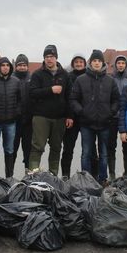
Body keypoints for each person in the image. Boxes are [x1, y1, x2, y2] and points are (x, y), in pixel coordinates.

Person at [70, 50, 119, 185]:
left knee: (104, 154)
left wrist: (111, 112)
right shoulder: (81, 80)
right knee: (86, 153)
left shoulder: (110, 80)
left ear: (102, 63)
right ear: (90, 63)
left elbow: (116, 100)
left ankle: (102, 179)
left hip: (105, 123)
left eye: (99, 61)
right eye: (94, 61)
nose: (97, 63)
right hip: (86, 123)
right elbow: (73, 99)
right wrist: (82, 112)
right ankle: (86, 180)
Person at [28, 44, 73, 175]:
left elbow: (70, 96)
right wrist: (50, 90)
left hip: (59, 117)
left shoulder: (65, 75)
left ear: (56, 58)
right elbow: (32, 93)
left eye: (52, 56)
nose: (49, 59)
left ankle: (53, 175)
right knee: (37, 147)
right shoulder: (37, 74)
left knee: (56, 148)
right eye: (47, 56)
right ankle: (33, 175)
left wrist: (70, 116)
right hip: (41, 116)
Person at [0, 57, 21, 177]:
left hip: (10, 122)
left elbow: (20, 100)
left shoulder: (16, 81)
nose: (6, 67)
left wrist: (16, 112)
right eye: (3, 65)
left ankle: (9, 177)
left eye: (8, 65)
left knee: (9, 149)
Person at [61, 53, 89, 178]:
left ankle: (89, 176)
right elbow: (67, 98)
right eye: (76, 62)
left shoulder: (89, 77)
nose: (78, 64)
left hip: (86, 118)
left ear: (84, 63)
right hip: (71, 118)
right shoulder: (68, 77)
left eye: (81, 62)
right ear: (73, 64)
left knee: (89, 149)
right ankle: (66, 175)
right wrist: (69, 116)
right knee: (68, 148)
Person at [108, 55, 127, 179]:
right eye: (119, 63)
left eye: (123, 63)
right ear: (115, 65)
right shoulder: (110, 79)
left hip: (126, 117)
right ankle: (112, 174)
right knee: (111, 146)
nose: (121, 65)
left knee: (126, 146)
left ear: (126, 65)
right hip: (112, 117)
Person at [12, 54, 32, 171]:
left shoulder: (32, 78)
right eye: (20, 65)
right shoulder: (12, 79)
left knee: (28, 149)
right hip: (14, 120)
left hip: (29, 120)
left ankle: (28, 173)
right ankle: (10, 174)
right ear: (16, 67)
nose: (22, 67)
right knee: (12, 150)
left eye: (24, 65)